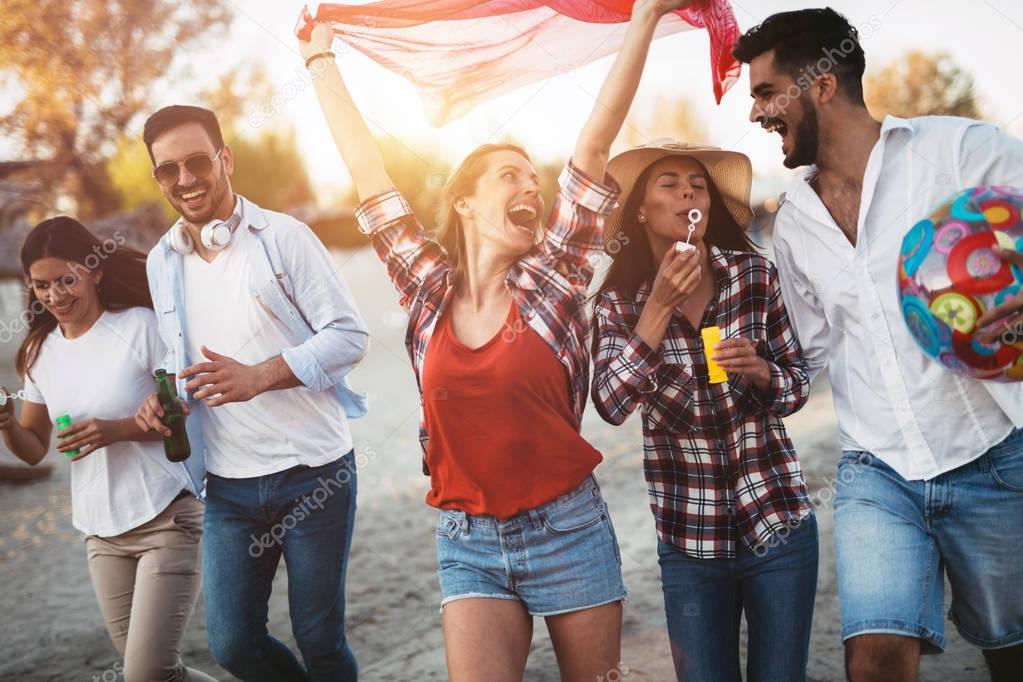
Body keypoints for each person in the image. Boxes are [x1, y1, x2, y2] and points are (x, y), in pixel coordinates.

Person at [300, 2, 691, 678]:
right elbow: (370, 174)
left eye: (532, 178)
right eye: (508, 176)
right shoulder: (425, 287)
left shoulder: (552, 278)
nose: (529, 187)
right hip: (467, 539)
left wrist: (645, 17)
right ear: (463, 204)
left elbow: (593, 147)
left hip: (568, 530)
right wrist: (318, 59)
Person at [733, 8, 1023, 682]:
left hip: (991, 457)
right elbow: (802, 360)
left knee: (1009, 651)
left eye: (765, 92)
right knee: (874, 657)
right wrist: (752, 366)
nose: (755, 114)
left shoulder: (959, 151)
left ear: (822, 85)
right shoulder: (794, 221)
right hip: (876, 472)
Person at [133, 104, 369, 681]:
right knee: (234, 645)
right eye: (169, 170)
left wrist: (259, 375)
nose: (185, 180)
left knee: (319, 639)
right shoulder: (163, 261)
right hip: (230, 490)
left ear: (225, 159)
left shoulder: (285, 237)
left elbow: (350, 337)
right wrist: (165, 395)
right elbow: (178, 353)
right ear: (158, 178)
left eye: (197, 162)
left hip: (315, 472)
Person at [590, 139, 818, 681]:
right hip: (691, 542)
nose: (688, 191)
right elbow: (610, 403)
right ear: (641, 209)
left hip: (778, 524)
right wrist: (659, 306)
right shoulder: (618, 303)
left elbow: (797, 384)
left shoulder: (753, 276)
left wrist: (762, 372)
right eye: (669, 183)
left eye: (697, 185)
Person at [0, 217, 214, 682]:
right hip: (101, 535)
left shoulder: (141, 327)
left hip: (166, 519)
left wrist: (112, 431)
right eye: (41, 286)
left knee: (144, 674)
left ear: (94, 271)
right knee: (158, 675)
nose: (54, 296)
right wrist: (6, 427)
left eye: (65, 280)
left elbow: (180, 413)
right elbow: (35, 448)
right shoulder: (40, 353)